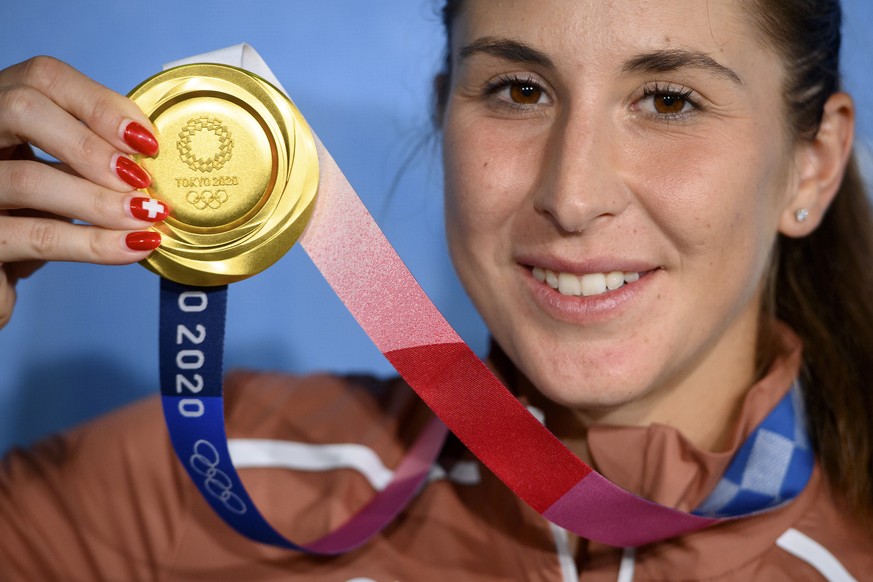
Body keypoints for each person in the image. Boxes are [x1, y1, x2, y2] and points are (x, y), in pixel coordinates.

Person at [1, 0, 872, 579]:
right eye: (518, 89)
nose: (571, 196)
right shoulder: (182, 485)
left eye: (669, 101)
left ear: (814, 162)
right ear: (442, 114)